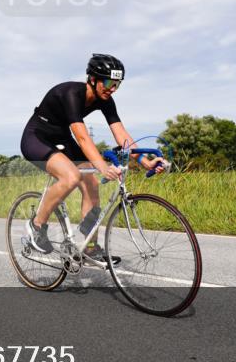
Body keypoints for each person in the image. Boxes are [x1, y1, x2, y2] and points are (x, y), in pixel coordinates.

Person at [20, 54, 165, 265]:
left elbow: (121, 134)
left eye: (117, 84)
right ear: (93, 79)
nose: (112, 88)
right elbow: (82, 137)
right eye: (108, 82)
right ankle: (37, 226)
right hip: (37, 137)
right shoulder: (72, 93)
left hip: (61, 139)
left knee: (92, 184)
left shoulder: (106, 100)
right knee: (71, 177)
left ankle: (89, 248)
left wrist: (143, 160)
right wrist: (101, 166)